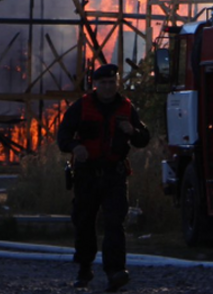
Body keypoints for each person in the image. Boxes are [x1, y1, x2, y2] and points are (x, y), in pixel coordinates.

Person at [57, 63, 151, 292]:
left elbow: (143, 138)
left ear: (117, 82)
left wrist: (133, 132)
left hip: (114, 174)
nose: (108, 87)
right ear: (95, 85)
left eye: (112, 82)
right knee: (85, 221)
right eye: (103, 83)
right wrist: (75, 147)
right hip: (86, 174)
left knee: (114, 223)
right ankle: (84, 268)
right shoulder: (82, 107)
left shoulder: (127, 108)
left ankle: (115, 271)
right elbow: (63, 135)